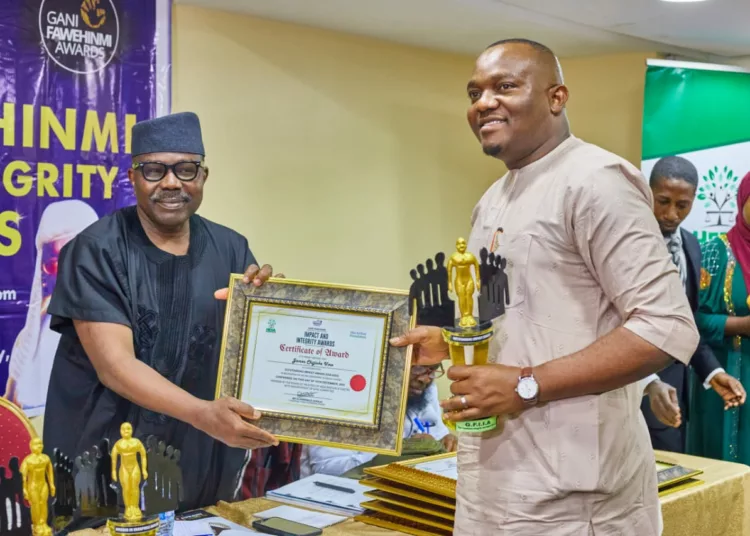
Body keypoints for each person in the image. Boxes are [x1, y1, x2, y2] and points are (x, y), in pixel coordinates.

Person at [390, 39, 699, 534]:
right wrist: (448, 343)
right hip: (496, 483)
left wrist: (525, 385)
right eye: (474, 93)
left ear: (557, 98)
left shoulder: (596, 182)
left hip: (577, 502)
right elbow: (518, 320)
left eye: (505, 86)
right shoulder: (495, 197)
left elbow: (666, 327)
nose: (483, 103)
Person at [43, 112, 279, 512]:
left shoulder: (231, 248)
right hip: (108, 458)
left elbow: (254, 350)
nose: (171, 183)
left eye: (186, 169)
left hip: (200, 457)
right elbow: (115, 366)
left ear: (203, 176)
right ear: (133, 177)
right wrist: (204, 414)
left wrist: (274, 312)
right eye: (154, 170)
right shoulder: (95, 250)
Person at [639, 157, 745, 452]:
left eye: (682, 205)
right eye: (663, 201)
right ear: (647, 192)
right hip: (625, 393)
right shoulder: (624, 240)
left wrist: (712, 371)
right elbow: (608, 320)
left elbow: (684, 323)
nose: (671, 214)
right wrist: (647, 382)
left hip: (676, 395)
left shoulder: (692, 245)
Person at [3, 200, 98, 415]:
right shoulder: (30, 337)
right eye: (53, 264)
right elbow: (10, 409)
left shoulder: (122, 322)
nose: (63, 273)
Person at [688, 171, 750, 464]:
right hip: (726, 373)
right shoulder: (715, 253)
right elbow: (690, 320)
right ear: (742, 201)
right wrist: (740, 326)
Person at [299, 363, 457, 478]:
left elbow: (435, 436)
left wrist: (446, 442)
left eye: (433, 370)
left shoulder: (423, 390)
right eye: (418, 368)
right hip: (338, 498)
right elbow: (326, 469)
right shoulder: (340, 392)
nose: (425, 379)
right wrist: (399, 455)